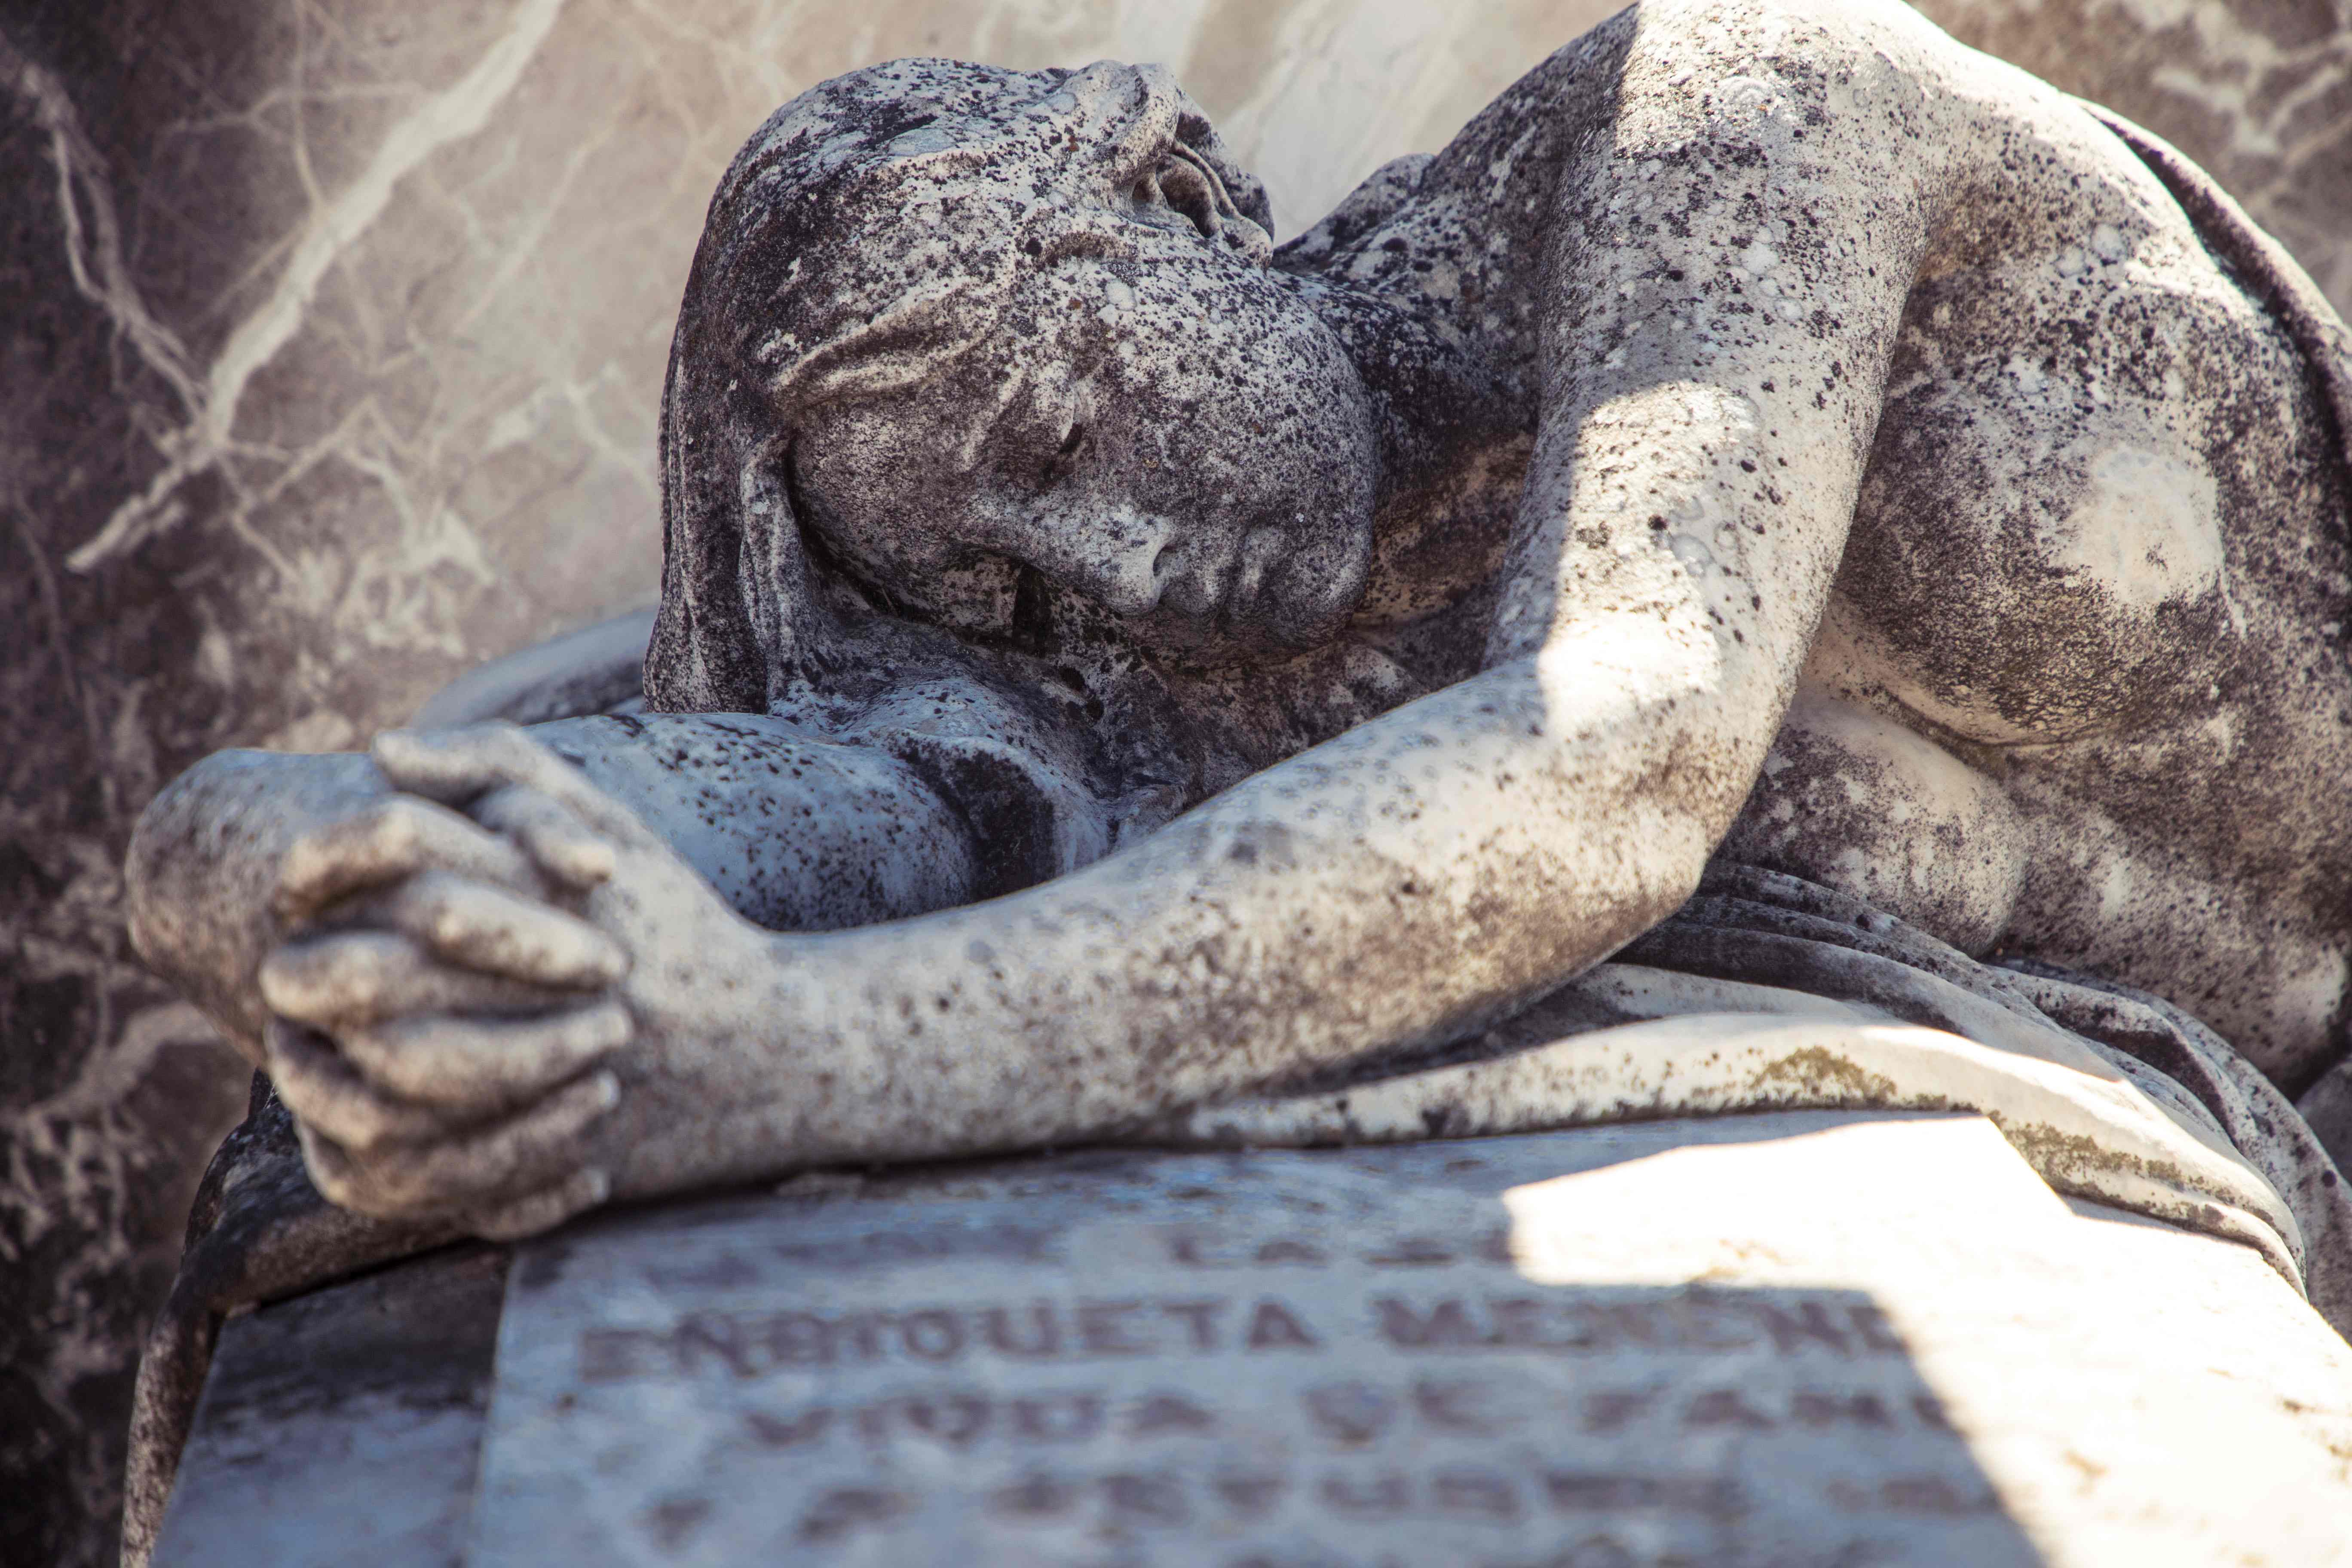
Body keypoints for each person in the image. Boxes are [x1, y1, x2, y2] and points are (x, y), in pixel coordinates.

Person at [126, 0, 2352, 1253]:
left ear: (1178, 199)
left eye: (1070, 413)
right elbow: (504, 795)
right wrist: (312, 894)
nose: (1103, 563)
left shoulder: (1738, 114)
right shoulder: (1196, 739)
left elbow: (1625, 749)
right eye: (1000, 565)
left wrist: (782, 1065)